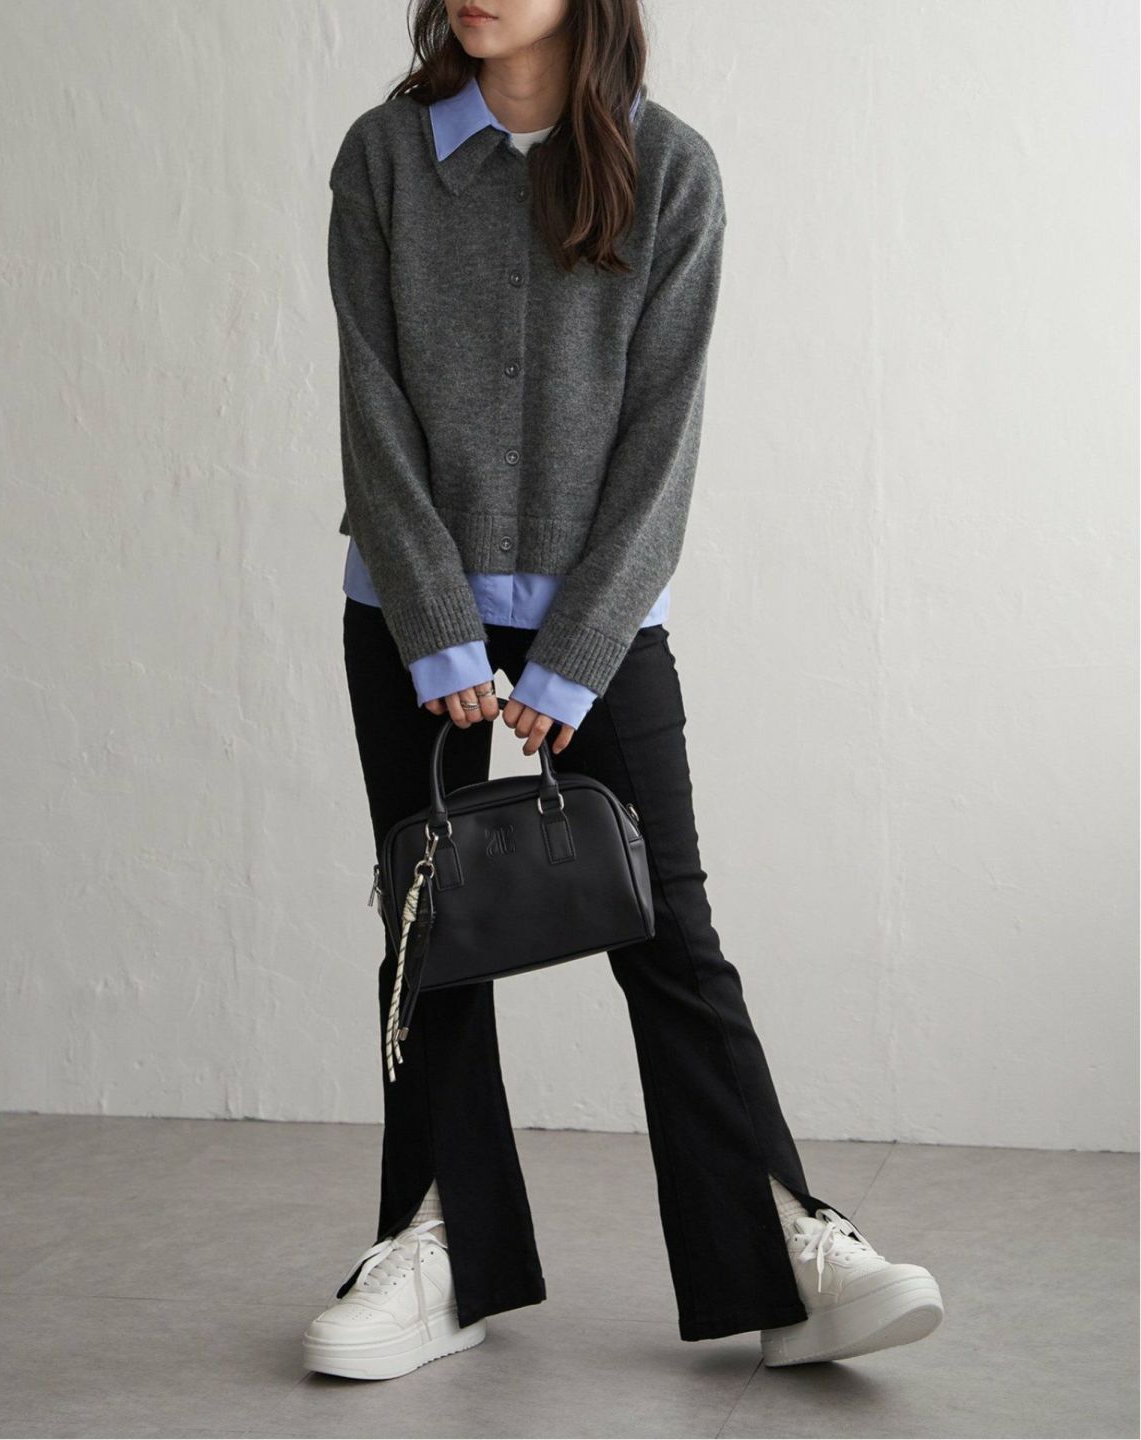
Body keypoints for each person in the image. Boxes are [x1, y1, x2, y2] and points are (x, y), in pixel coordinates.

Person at [304, 0, 943, 1382]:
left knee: (669, 929)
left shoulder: (675, 172)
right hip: (409, 612)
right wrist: (438, 627)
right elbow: (371, 407)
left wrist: (580, 652)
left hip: (598, 620)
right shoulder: (383, 158)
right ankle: (434, 1241)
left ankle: (784, 1246)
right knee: (427, 929)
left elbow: (665, 438)